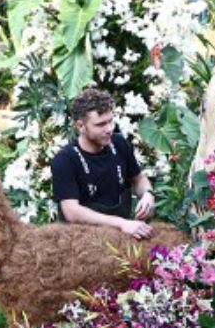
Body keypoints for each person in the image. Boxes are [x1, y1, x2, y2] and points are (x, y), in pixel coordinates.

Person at [50, 88, 156, 240]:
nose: (109, 129)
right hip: (80, 243)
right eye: (100, 124)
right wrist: (121, 223)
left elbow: (138, 179)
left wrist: (147, 194)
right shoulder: (65, 159)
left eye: (110, 121)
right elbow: (71, 211)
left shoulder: (119, 144)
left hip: (121, 238)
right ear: (80, 126)